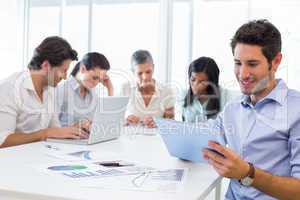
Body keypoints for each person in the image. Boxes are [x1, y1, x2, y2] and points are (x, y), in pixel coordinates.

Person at [201, 19, 300, 199]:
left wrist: (248, 173)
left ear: (276, 61)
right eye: (238, 63)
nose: (243, 74)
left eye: (252, 64)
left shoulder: (296, 110)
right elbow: (204, 140)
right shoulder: (232, 108)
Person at [0, 36, 89, 148]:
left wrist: (72, 130)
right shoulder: (10, 89)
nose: (65, 77)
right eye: (63, 71)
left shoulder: (50, 89)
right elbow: (2, 141)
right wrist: (44, 134)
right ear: (46, 66)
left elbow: (54, 130)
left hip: (41, 157)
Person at [56, 52, 113, 127]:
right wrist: (73, 127)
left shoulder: (93, 92)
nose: (96, 83)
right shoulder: (61, 90)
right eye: (94, 78)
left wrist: (110, 89)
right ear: (82, 69)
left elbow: (107, 118)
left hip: (86, 138)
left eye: (99, 80)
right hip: (65, 138)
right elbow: (50, 127)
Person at [121, 50, 175, 128]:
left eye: (148, 72)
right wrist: (126, 119)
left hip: (157, 139)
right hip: (131, 138)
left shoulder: (167, 91)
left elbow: (171, 123)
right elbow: (115, 119)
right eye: (140, 73)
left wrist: (159, 123)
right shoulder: (125, 88)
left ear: (153, 67)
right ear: (133, 72)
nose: (145, 77)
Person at [179, 56, 238, 122]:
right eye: (193, 79)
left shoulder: (226, 96)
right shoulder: (183, 95)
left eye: (202, 82)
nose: (195, 85)